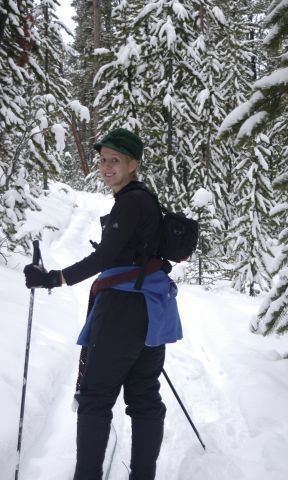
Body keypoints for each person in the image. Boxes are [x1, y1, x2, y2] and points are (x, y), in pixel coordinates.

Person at [24, 128, 183, 480]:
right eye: (102, 160)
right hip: (152, 311)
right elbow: (128, 253)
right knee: (143, 399)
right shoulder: (143, 199)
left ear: (133, 165)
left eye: (115, 161)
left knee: (95, 400)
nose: (106, 167)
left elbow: (106, 257)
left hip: (123, 313)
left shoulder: (130, 201)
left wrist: (53, 277)